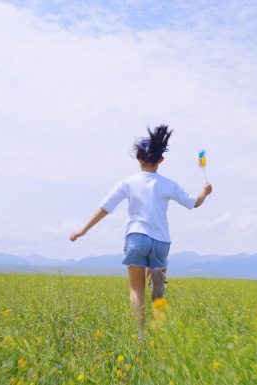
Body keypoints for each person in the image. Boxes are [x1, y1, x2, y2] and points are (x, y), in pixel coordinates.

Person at [69, 125, 212, 334]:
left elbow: (105, 208)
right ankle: (158, 287)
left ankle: (140, 337)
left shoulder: (128, 182)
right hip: (161, 240)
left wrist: (83, 230)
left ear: (138, 159)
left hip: (137, 237)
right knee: (157, 277)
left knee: (136, 289)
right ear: (161, 160)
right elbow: (194, 203)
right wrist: (205, 192)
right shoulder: (168, 184)